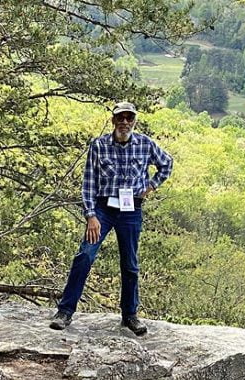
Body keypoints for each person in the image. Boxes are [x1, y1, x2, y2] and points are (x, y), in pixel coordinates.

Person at [50, 101, 173, 335]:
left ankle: (130, 315)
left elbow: (167, 164)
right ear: (113, 120)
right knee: (85, 256)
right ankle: (65, 311)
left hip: (131, 210)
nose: (125, 122)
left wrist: (151, 186)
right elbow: (88, 183)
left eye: (129, 118)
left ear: (134, 121)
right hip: (102, 210)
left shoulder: (145, 144)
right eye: (121, 117)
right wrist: (90, 215)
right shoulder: (98, 146)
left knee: (130, 264)